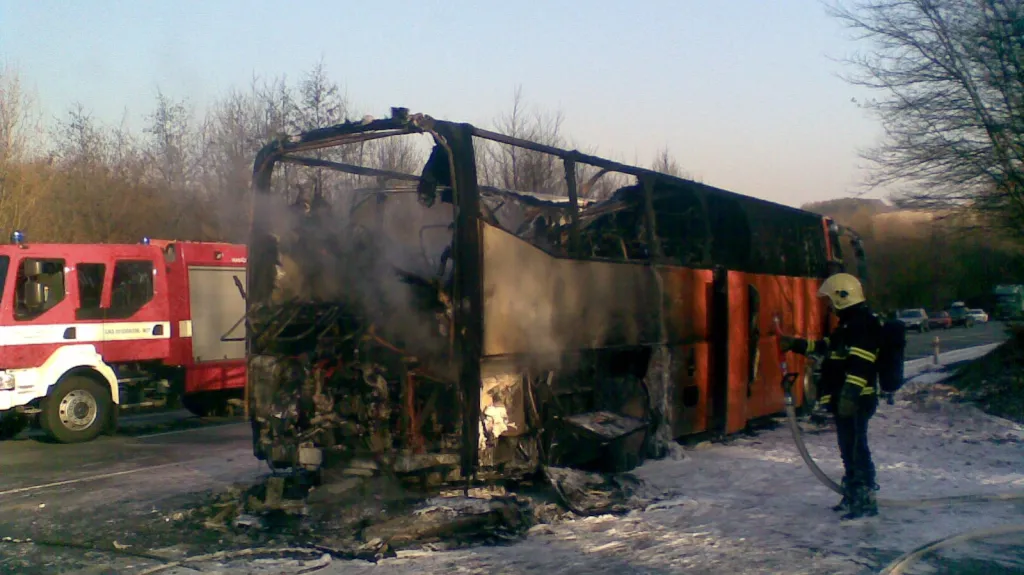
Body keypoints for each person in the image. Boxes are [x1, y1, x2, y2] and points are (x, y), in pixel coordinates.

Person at [780, 272, 882, 520]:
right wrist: (795, 344)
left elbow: (863, 363)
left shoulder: (862, 325)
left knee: (857, 448)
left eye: (830, 299)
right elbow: (825, 347)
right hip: (845, 398)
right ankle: (853, 493)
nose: (828, 305)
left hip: (857, 399)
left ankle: (864, 497)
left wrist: (850, 394)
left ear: (842, 297)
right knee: (848, 448)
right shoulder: (847, 325)